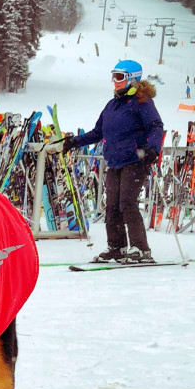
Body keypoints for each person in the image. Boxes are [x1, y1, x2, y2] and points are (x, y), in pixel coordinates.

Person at [64, 59, 163, 263]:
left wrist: (153, 148)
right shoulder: (112, 105)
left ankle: (141, 249)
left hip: (135, 160)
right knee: (112, 206)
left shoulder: (141, 101)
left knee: (127, 203)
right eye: (114, 76)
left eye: (119, 77)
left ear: (132, 79)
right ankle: (116, 247)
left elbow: (155, 125)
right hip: (115, 161)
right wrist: (74, 142)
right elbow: (98, 132)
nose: (115, 81)